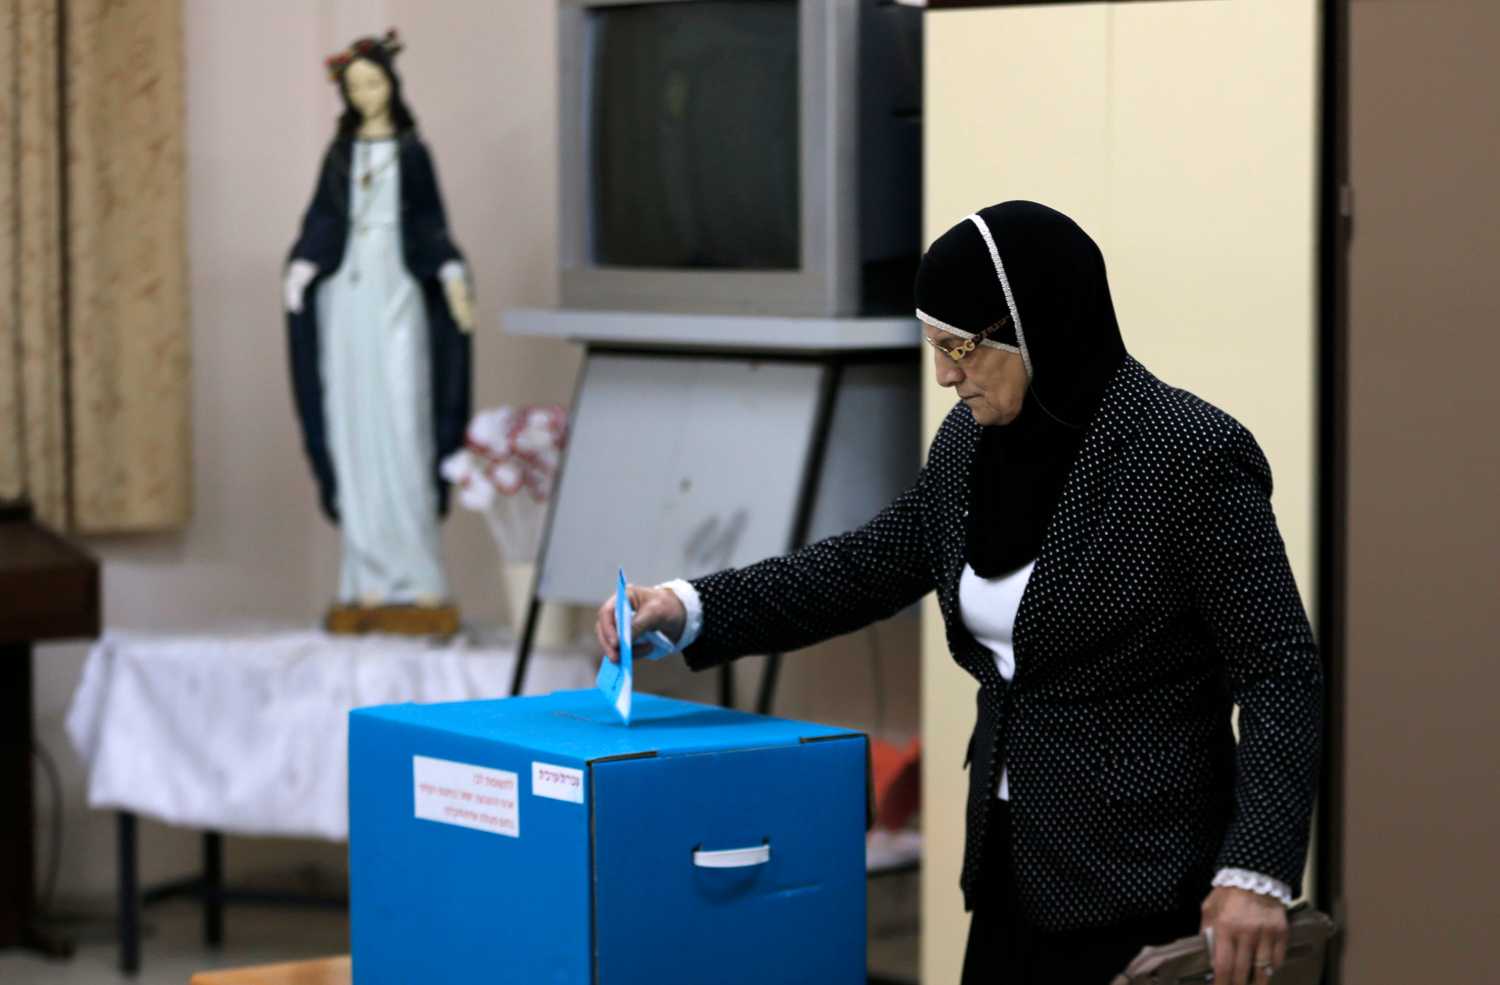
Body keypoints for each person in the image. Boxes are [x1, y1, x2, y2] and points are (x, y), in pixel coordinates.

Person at [595, 202, 1321, 985]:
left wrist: (1255, 869)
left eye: (960, 347)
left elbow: (1281, 670)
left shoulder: (1188, 455)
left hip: (1145, 877)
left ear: (1036, 322)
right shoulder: (974, 442)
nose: (945, 374)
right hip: (1011, 860)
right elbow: (868, 564)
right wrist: (690, 605)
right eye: (933, 345)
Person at [283, 30, 473, 608]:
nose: (366, 94)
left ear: (392, 84)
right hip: (347, 298)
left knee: (404, 418)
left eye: (374, 83)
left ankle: (416, 572)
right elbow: (321, 222)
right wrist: (301, 266)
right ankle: (365, 574)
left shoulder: (413, 152)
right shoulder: (339, 156)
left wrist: (451, 273)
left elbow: (431, 227)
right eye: (356, 87)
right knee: (353, 421)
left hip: (398, 293)